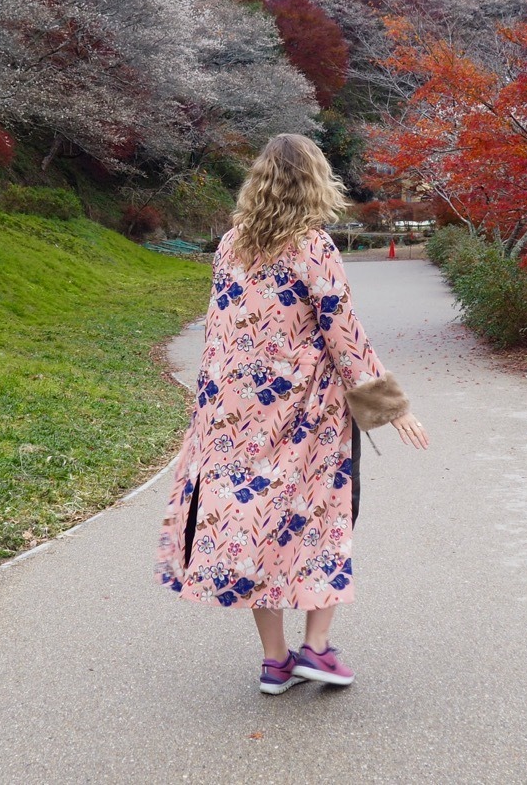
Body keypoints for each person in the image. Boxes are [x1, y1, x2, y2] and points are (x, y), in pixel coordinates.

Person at [155, 133, 429, 693]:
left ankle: (276, 660)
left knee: (256, 528)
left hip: (233, 414)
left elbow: (218, 334)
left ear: (258, 183)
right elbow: (344, 335)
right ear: (315, 182)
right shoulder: (313, 246)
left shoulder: (230, 244)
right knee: (321, 518)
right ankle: (318, 651)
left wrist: (206, 415)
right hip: (307, 413)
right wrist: (391, 407)